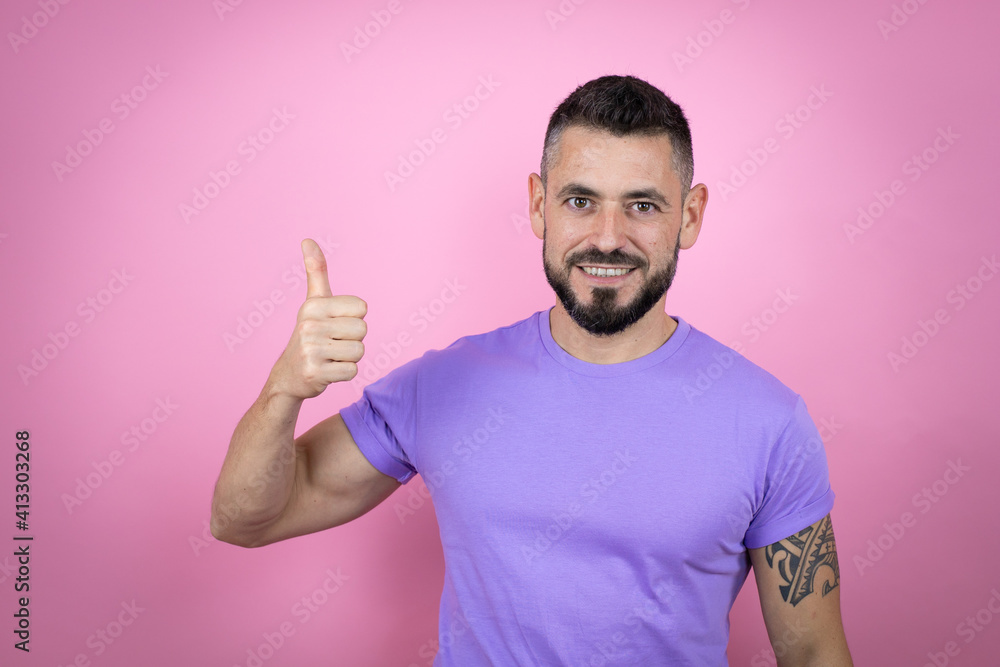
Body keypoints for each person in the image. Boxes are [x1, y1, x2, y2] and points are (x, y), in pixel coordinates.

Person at [211, 75, 853, 665]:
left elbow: (813, 654)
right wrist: (283, 390)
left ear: (689, 216)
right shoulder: (443, 386)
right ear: (539, 205)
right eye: (580, 200)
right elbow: (244, 519)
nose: (608, 236)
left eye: (642, 206)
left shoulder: (769, 423)